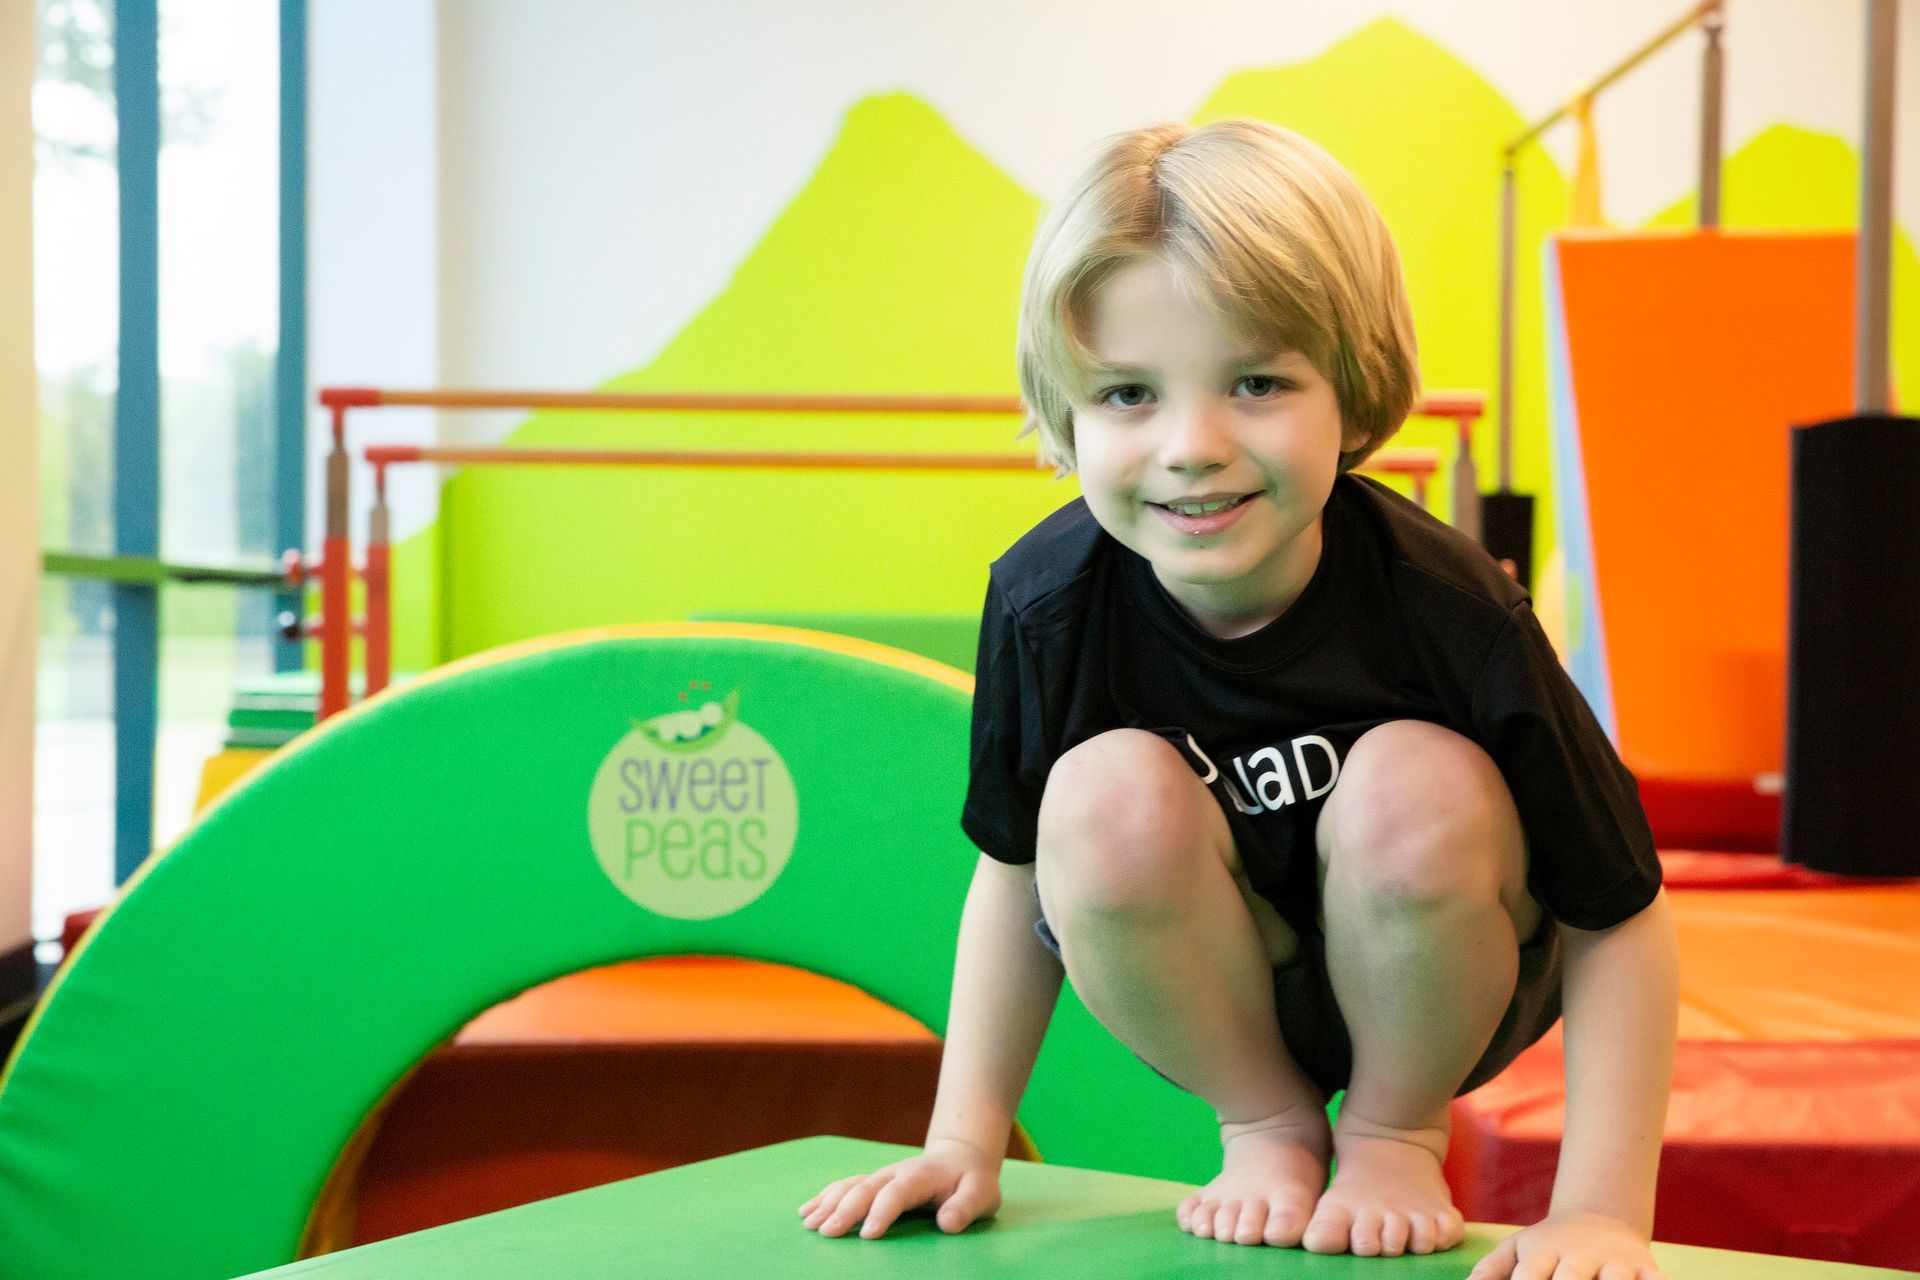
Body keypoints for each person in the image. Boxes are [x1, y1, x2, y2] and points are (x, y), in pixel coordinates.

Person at [799, 118, 1677, 1280]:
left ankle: (1390, 1130)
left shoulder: (1452, 609)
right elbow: (1016, 873)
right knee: (1095, 792)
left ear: (1354, 390)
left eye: (1257, 381)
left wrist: (1603, 1210)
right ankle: (1268, 1123)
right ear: (1065, 413)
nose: (1192, 445)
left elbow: (1619, 909)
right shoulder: (1046, 604)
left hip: (1447, 963)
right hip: (1216, 978)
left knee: (1415, 779)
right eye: (1126, 394)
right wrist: (964, 1140)